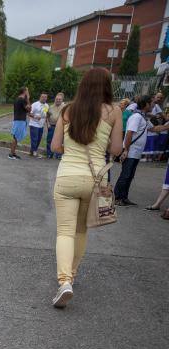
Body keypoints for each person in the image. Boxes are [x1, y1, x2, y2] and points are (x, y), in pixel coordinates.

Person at [49, 68, 122, 309]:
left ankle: (64, 281)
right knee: (81, 231)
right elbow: (116, 150)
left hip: (67, 176)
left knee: (64, 231)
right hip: (95, 180)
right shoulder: (114, 111)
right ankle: (72, 274)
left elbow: (56, 146)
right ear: (106, 86)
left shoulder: (68, 110)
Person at [114, 95, 153, 206]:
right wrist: (126, 150)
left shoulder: (142, 117)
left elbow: (154, 128)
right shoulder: (136, 117)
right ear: (146, 104)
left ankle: (124, 197)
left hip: (135, 153)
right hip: (131, 152)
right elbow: (130, 133)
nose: (153, 105)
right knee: (125, 175)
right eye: (151, 103)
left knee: (130, 175)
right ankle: (117, 197)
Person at [8, 87, 30, 160]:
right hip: (20, 121)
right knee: (15, 137)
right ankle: (11, 154)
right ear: (24, 91)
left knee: (16, 137)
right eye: (27, 91)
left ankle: (13, 153)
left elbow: (25, 110)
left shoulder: (18, 99)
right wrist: (28, 99)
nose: (28, 92)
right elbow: (29, 109)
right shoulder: (22, 100)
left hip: (18, 120)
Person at [46, 93, 66, 159]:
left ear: (62, 100)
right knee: (49, 140)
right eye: (57, 99)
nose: (58, 100)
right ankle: (49, 154)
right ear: (55, 99)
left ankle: (58, 155)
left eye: (60, 99)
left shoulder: (64, 107)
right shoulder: (50, 107)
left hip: (60, 127)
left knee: (60, 141)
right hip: (52, 126)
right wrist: (48, 124)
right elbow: (47, 116)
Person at [28, 92, 48, 157]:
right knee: (35, 138)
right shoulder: (35, 104)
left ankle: (32, 151)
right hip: (34, 124)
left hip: (41, 125)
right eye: (43, 97)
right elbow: (29, 113)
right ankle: (34, 151)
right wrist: (35, 116)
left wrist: (47, 122)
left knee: (39, 139)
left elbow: (46, 115)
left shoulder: (47, 106)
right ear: (40, 97)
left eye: (45, 97)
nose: (44, 98)